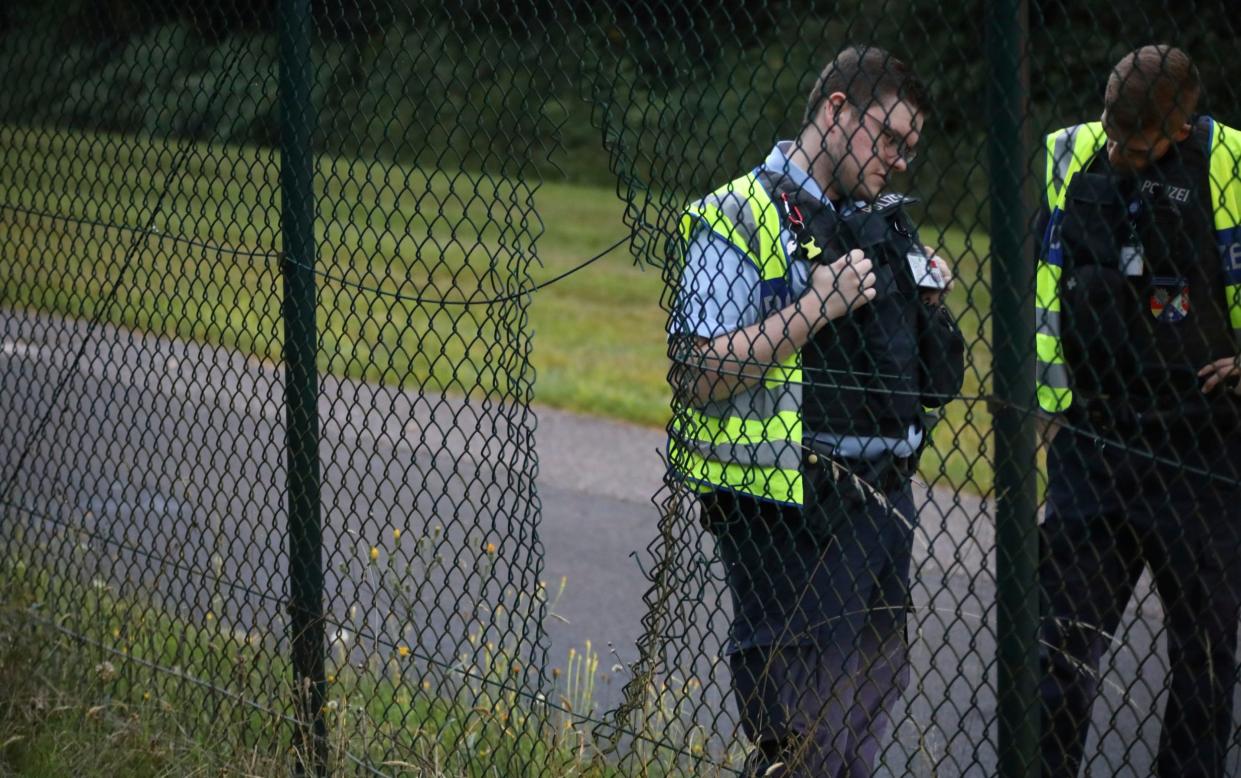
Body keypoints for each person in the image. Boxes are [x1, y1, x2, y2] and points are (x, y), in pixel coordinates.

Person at [666, 45, 965, 777]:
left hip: (884, 500)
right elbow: (695, 371)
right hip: (788, 509)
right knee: (803, 736)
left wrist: (929, 309)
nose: (899, 161)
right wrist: (814, 308)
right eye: (889, 137)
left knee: (859, 720)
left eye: (910, 148)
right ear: (836, 110)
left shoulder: (883, 223)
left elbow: (933, 380)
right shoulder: (737, 212)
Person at [1035, 44, 1241, 778]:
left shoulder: (1230, 167)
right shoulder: (1070, 156)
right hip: (1092, 438)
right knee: (1054, 649)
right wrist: (1044, 405)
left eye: (1136, 142)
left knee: (1204, 659)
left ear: (1179, 130)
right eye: (1110, 132)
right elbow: (1040, 276)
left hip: (1202, 449)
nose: (1117, 151)